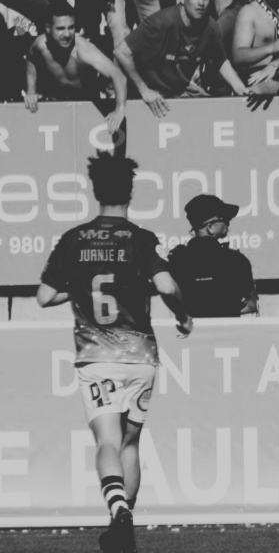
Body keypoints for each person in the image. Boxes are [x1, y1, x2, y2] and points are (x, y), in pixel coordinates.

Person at [36, 152, 192, 553]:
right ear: (131, 193)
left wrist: (83, 285)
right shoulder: (140, 239)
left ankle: (117, 509)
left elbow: (44, 295)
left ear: (94, 191)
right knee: (130, 445)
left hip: (95, 356)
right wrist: (183, 315)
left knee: (105, 441)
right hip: (141, 356)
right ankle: (122, 522)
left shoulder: (74, 240)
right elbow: (168, 286)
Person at [114, 0, 251, 117]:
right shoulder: (162, 23)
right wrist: (144, 91)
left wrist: (240, 88)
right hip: (148, 97)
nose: (201, 3)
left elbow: (220, 61)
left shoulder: (210, 27)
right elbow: (121, 52)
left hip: (177, 93)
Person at [25, 2, 128, 136]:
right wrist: (31, 90)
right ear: (48, 28)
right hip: (55, 101)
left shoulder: (84, 50)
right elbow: (31, 59)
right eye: (60, 28)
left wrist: (120, 108)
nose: (67, 34)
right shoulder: (40, 45)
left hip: (86, 102)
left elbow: (117, 74)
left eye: (71, 27)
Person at [169, 194, 258, 318]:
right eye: (224, 219)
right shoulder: (236, 261)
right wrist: (228, 310)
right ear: (210, 227)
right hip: (227, 334)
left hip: (190, 334)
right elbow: (252, 305)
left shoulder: (176, 260)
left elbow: (173, 300)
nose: (228, 223)